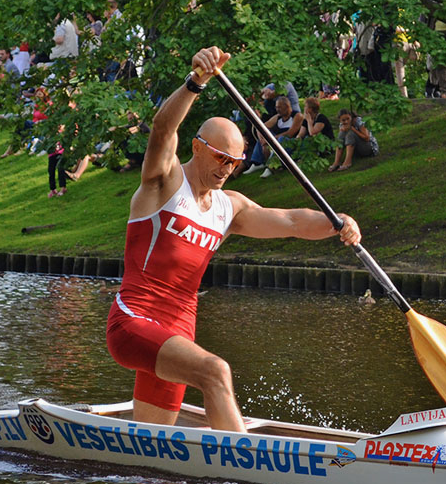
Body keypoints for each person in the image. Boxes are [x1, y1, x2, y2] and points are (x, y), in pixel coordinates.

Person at [106, 45, 361, 430]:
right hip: (133, 322)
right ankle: (245, 480)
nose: (227, 169)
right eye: (221, 159)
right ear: (197, 148)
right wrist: (195, 83)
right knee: (215, 371)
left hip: (178, 336)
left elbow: (291, 221)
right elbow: (162, 129)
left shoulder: (230, 209)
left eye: (236, 163)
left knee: (153, 458)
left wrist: (337, 222)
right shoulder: (164, 183)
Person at [242, 95, 303, 177]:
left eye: (279, 107)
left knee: (282, 139)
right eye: (276, 107)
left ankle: (272, 166)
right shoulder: (277, 117)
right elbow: (261, 127)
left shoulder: (297, 116)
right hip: (276, 140)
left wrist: (271, 139)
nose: (277, 110)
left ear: (287, 107)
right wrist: (262, 141)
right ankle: (256, 163)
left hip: (290, 142)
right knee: (264, 136)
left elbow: (290, 133)